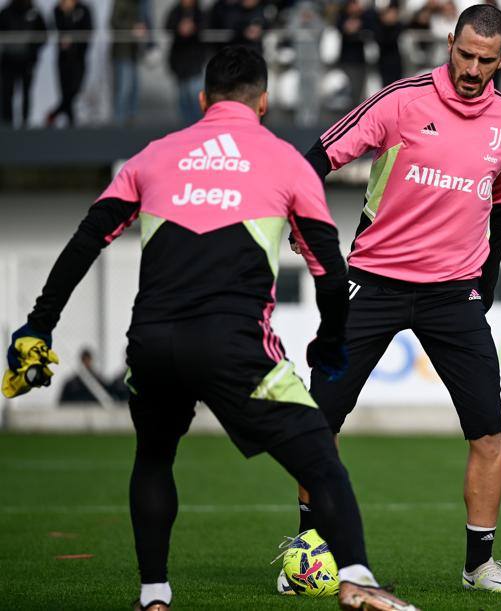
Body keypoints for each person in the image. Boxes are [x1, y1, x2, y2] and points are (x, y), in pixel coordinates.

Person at [2, 46, 417, 611]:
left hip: (150, 343)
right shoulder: (287, 163)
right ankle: (357, 580)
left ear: (202, 101)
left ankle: (154, 596)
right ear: (264, 102)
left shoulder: (152, 155)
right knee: (321, 459)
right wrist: (332, 340)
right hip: (234, 345)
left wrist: (38, 326)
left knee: (153, 457)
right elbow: (329, 269)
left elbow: (86, 241)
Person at [291, 4, 501, 596]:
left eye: (485, 59)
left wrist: (487, 282)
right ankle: (307, 560)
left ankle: (479, 565)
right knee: (318, 424)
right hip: (371, 283)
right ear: (449, 43)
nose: (472, 68)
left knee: (489, 434)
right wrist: (307, 234)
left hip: (454, 295)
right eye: (464, 53)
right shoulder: (401, 100)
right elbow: (311, 162)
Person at [0, 0, 46, 127]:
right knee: (7, 93)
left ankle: (25, 123)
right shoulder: (5, 12)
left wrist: (32, 50)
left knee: (26, 92)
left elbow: (43, 35)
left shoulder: (35, 12)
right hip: (8, 61)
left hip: (27, 62)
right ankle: (7, 124)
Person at [47, 0, 92, 127]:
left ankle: (54, 114)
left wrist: (75, 43)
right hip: (64, 58)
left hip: (79, 57)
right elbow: (58, 28)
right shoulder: (58, 9)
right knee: (65, 90)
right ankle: (71, 123)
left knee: (74, 89)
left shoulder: (83, 9)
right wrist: (65, 13)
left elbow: (88, 30)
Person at [165, 0, 206, 125]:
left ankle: (198, 125)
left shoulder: (200, 12)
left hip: (195, 61)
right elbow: (167, 26)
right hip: (179, 62)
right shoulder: (175, 11)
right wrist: (179, 27)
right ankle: (186, 127)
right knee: (183, 97)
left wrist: (194, 27)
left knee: (195, 96)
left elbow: (206, 26)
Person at [110, 0, 149, 125]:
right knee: (124, 87)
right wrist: (132, 27)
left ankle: (131, 119)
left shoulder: (141, 4)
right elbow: (114, 22)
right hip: (122, 52)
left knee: (134, 88)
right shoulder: (121, 2)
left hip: (134, 52)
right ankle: (119, 120)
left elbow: (146, 22)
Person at [336, 0, 372, 102]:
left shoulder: (365, 18)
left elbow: (369, 32)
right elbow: (342, 29)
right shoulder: (342, 18)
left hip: (360, 61)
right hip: (345, 61)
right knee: (347, 90)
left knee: (359, 91)